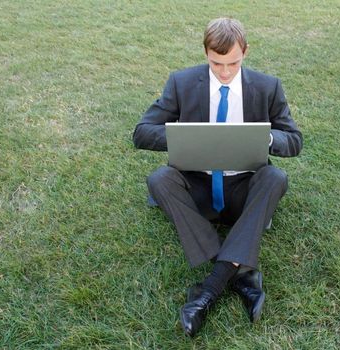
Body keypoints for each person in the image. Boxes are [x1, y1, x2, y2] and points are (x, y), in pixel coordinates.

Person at [132, 17, 303, 337]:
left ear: (246, 52)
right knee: (159, 180)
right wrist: (186, 137)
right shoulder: (182, 83)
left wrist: (265, 139)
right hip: (199, 186)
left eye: (233, 63)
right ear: (205, 53)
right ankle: (239, 273)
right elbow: (141, 133)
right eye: (216, 63)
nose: (224, 71)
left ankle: (209, 289)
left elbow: (294, 140)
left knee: (275, 177)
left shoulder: (268, 87)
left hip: (243, 188)